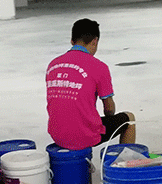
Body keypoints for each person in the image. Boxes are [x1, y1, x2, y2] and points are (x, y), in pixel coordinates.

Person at [46, 18, 135, 150]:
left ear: (72, 41)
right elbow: (109, 109)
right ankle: (128, 159)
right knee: (129, 119)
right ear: (95, 41)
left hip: (57, 134)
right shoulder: (99, 67)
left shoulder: (53, 65)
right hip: (84, 136)